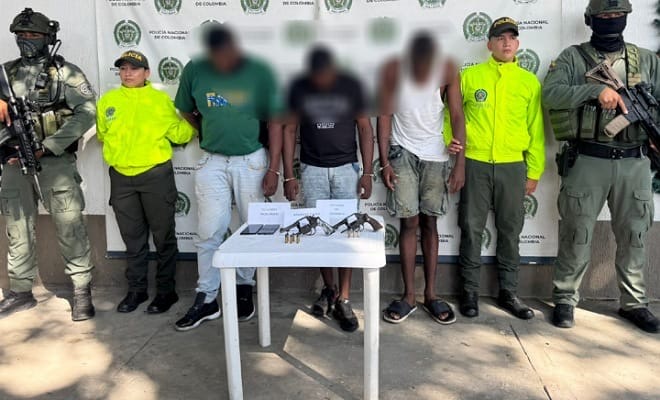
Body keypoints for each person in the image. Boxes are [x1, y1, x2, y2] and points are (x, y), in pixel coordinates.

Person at [543, 0, 659, 333]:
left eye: (617, 15)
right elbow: (551, 95)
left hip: (634, 162)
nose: (611, 20)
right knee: (576, 233)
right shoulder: (572, 58)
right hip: (588, 160)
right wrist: (594, 91)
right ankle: (565, 299)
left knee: (634, 234)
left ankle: (634, 303)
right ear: (590, 20)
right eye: (604, 16)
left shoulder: (647, 60)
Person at [173, 24, 283, 331]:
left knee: (252, 228)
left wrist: (274, 168)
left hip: (251, 160)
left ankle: (244, 287)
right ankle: (207, 298)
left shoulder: (258, 71)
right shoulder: (195, 70)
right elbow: (185, 110)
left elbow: (275, 121)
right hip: (212, 161)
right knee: (209, 231)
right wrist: (206, 131)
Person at [0, 8, 96, 321]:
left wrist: (49, 145)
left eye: (33, 35)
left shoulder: (65, 73)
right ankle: (20, 292)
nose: (26, 40)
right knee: (17, 227)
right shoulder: (6, 73)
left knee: (70, 224)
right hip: (14, 161)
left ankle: (81, 290)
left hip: (54, 162)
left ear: (48, 37)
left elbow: (86, 113)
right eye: (21, 35)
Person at [457, 17, 545, 320]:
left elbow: (536, 130)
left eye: (511, 38)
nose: (506, 43)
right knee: (471, 228)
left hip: (512, 166)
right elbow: (452, 116)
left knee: (511, 230)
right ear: (489, 44)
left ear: (518, 44)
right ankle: (469, 291)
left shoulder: (528, 82)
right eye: (500, 38)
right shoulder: (470, 76)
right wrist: (452, 142)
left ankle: (509, 292)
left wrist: (533, 171)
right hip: (476, 163)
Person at [282, 46, 374, 332]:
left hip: (346, 169)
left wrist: (367, 172)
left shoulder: (351, 87)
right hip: (312, 170)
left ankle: (344, 298)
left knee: (348, 232)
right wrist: (289, 175)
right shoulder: (299, 88)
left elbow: (365, 128)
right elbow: (289, 130)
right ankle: (330, 289)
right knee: (319, 231)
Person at [96, 51, 196, 314]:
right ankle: (137, 290)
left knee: (164, 236)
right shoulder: (108, 101)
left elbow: (180, 133)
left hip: (155, 176)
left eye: (134, 68)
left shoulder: (160, 100)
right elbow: (103, 134)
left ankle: (166, 292)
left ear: (147, 73)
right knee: (132, 238)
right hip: (121, 177)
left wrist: (196, 119)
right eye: (123, 68)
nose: (128, 73)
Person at [378, 32, 466, 325]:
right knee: (409, 222)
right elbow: (384, 116)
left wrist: (460, 163)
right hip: (402, 152)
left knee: (430, 223)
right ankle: (409, 296)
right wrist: (385, 162)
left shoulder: (447, 70)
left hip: (436, 155)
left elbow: (457, 115)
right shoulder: (393, 71)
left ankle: (431, 294)